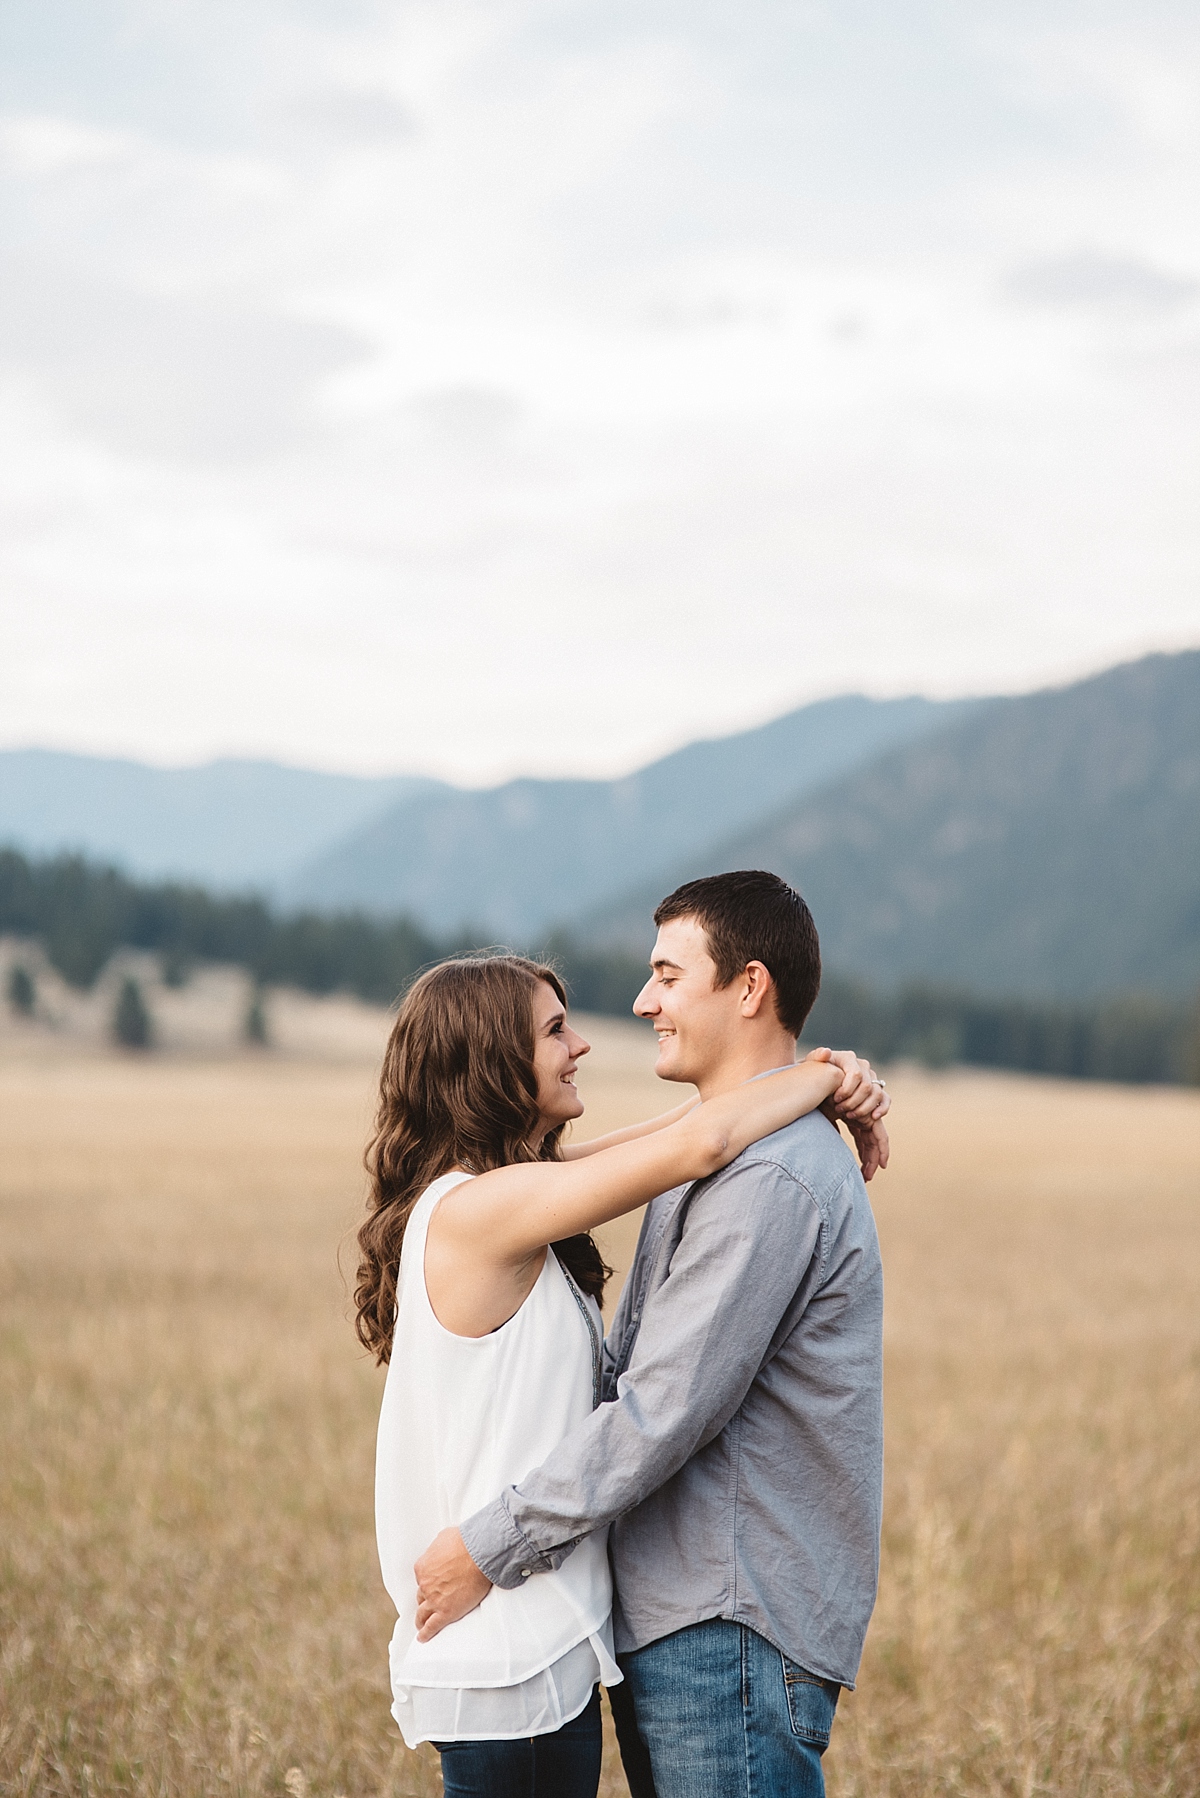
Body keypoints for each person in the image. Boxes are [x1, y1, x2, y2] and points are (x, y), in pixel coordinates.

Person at [357, 948, 888, 1798]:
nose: (582, 1046)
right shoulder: (477, 1210)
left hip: (535, 1653)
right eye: (554, 1031)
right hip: (508, 1658)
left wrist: (822, 1072)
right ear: (495, 1062)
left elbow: (684, 1133)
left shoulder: (511, 1191)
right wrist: (823, 1084)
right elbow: (702, 1139)